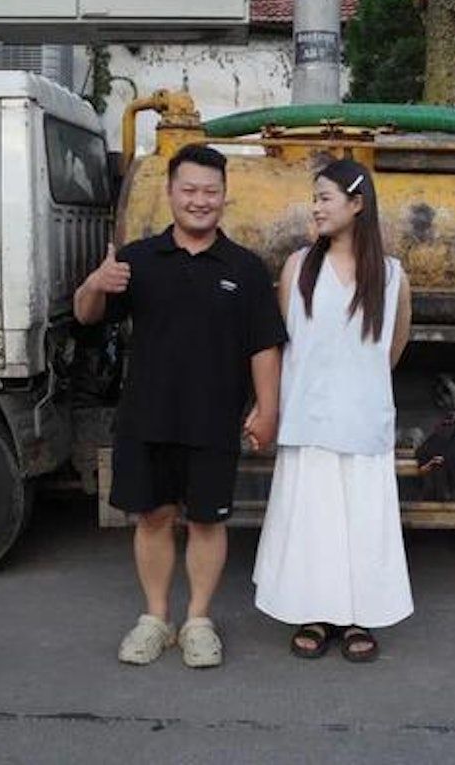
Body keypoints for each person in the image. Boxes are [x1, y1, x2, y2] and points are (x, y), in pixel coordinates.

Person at [74, 144, 287, 669]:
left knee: (207, 522)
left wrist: (268, 409)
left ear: (224, 196)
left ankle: (197, 620)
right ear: (169, 193)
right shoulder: (137, 259)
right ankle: (154, 618)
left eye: (210, 191)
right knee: (152, 518)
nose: (199, 200)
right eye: (189, 190)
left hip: (214, 419)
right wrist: (95, 283)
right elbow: (86, 315)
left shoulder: (246, 268)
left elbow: (264, 345)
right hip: (147, 416)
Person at [252, 158, 414, 662]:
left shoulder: (391, 276)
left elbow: (392, 347)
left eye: (325, 198)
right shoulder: (299, 267)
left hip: (363, 421)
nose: (316, 208)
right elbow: (283, 343)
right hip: (310, 419)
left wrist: (356, 387)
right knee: (314, 524)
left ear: (357, 204)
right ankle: (314, 612)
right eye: (315, 198)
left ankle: (361, 616)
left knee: (363, 523)